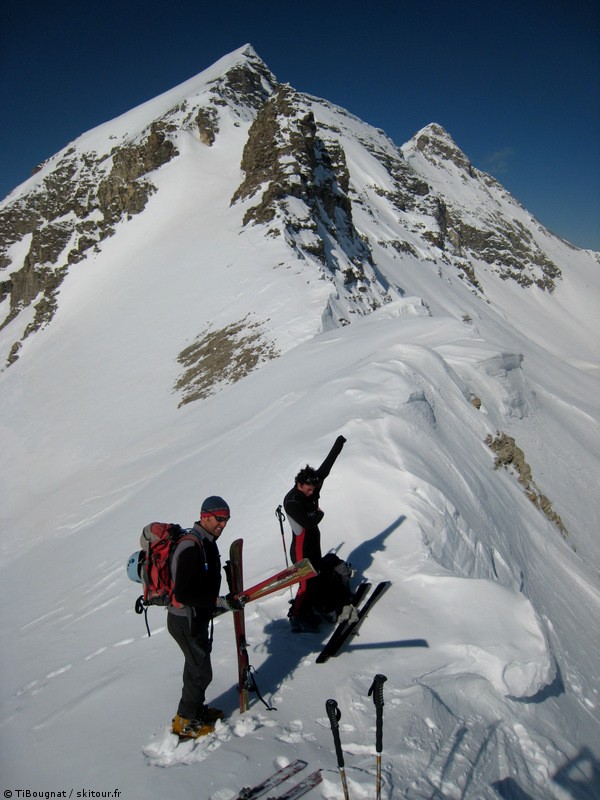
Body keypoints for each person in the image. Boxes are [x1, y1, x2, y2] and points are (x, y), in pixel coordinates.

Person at [168, 495, 243, 739]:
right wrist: (218, 602)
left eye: (226, 519)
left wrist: (218, 603)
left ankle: (194, 711)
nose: (223, 524)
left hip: (194, 616)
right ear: (205, 516)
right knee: (200, 670)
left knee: (196, 667)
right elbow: (185, 592)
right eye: (219, 518)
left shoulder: (207, 541)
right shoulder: (192, 546)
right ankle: (186, 723)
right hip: (184, 619)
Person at [283, 435, 347, 632]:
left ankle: (312, 607)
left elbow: (327, 466)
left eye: (313, 489)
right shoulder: (291, 501)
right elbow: (308, 522)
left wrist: (339, 444)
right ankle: (296, 617)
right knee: (304, 584)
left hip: (313, 542)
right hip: (301, 548)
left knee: (316, 576)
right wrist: (320, 515)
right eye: (308, 490)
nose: (311, 493)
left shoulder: (313, 484)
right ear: (299, 485)